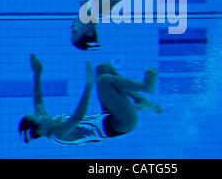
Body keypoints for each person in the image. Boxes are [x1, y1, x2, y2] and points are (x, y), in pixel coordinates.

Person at [19, 54, 162, 145]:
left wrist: (37, 73)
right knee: (103, 81)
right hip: (120, 124)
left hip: (108, 116)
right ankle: (145, 86)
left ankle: (141, 100)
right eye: (38, 116)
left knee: (103, 68)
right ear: (41, 129)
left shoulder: (46, 123)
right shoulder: (58, 132)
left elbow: (38, 102)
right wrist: (88, 86)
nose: (40, 113)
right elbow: (77, 117)